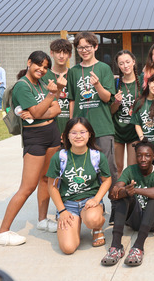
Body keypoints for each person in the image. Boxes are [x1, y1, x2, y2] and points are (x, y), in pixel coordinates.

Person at [0, 51, 64, 246]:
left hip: (52, 133)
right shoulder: (21, 87)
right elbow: (39, 110)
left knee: (46, 179)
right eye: (38, 65)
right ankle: (3, 231)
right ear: (29, 63)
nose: (41, 70)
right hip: (35, 138)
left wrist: (40, 110)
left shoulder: (42, 82)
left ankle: (42, 221)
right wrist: (48, 99)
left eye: (45, 67)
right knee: (27, 186)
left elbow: (55, 109)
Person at [67, 32, 118, 222]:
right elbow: (73, 100)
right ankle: (96, 207)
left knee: (109, 170)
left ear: (95, 47)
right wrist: (71, 128)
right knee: (86, 170)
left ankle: (116, 208)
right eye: (80, 47)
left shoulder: (104, 68)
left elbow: (107, 98)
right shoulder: (73, 72)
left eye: (88, 47)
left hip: (103, 127)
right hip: (81, 130)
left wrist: (97, 85)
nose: (84, 50)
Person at [46, 117, 111, 254]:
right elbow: (52, 186)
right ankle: (76, 223)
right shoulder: (60, 158)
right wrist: (62, 211)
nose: (78, 136)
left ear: (89, 134)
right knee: (68, 248)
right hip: (68, 205)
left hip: (89, 202)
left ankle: (97, 227)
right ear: (66, 136)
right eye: (73, 132)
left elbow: (107, 180)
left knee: (93, 219)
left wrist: (96, 199)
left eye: (82, 132)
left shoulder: (97, 156)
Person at [101, 139, 154, 267]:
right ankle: (116, 246)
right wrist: (125, 192)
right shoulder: (130, 170)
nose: (143, 159)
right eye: (139, 155)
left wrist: (136, 190)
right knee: (123, 196)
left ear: (153, 157)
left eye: (147, 155)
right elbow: (113, 194)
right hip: (136, 220)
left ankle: (138, 247)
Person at [111, 50, 141, 172]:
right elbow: (111, 111)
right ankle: (118, 191)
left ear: (133, 62)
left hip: (134, 130)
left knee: (132, 167)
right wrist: (116, 103)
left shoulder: (142, 82)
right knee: (117, 167)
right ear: (118, 65)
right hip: (118, 129)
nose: (125, 66)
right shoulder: (115, 82)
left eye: (128, 62)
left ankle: (130, 191)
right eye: (121, 63)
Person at [42, 39, 72, 134]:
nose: (61, 56)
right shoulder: (44, 76)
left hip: (71, 129)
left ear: (70, 55)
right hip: (50, 127)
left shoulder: (74, 74)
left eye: (65, 53)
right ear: (52, 53)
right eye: (58, 52)